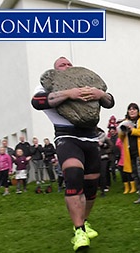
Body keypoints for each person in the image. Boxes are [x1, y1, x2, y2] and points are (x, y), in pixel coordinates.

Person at [31, 56, 115, 251]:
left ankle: (84, 222)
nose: (67, 67)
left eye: (69, 64)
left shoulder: (85, 81)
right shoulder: (47, 84)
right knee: (73, 176)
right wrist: (70, 93)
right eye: (62, 65)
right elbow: (38, 102)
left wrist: (99, 93)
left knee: (92, 185)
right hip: (66, 137)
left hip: (90, 138)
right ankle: (79, 232)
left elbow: (110, 101)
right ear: (55, 69)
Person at [118, 103, 140, 206]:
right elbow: (121, 138)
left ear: (138, 111)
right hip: (130, 153)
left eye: (134, 109)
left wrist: (132, 130)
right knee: (135, 175)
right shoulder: (125, 122)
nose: (132, 111)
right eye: (130, 109)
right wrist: (122, 130)